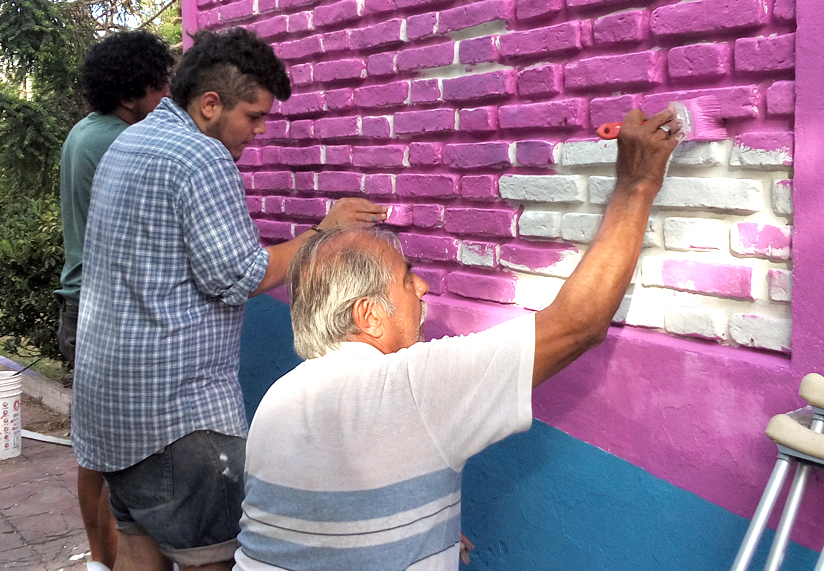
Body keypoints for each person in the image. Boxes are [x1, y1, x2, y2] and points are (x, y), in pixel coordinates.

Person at [233, 108, 684, 571]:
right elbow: (579, 324)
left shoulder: (276, 399)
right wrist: (637, 184)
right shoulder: (411, 386)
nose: (423, 287)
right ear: (368, 315)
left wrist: (427, 529)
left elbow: (325, 518)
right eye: (407, 279)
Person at [72, 28, 388, 571]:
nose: (259, 131)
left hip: (114, 408)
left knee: (139, 549)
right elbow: (241, 275)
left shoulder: (131, 142)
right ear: (210, 104)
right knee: (212, 559)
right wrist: (325, 231)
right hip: (177, 420)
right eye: (254, 116)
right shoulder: (201, 158)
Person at [57, 30, 176, 571]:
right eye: (160, 87)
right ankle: (113, 558)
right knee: (119, 463)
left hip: (81, 302)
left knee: (97, 454)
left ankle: (100, 560)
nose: (168, 98)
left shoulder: (87, 131)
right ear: (130, 95)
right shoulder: (122, 141)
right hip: (106, 310)